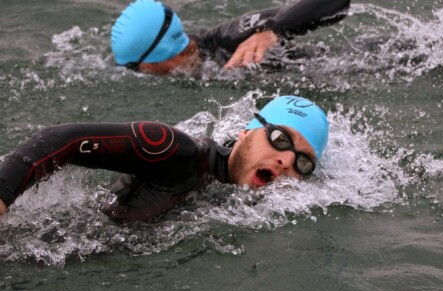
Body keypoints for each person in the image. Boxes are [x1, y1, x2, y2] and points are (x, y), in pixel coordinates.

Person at [0, 96, 328, 222]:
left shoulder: (251, 205)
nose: (286, 160)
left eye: (303, 162)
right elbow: (64, 139)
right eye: (280, 138)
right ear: (245, 132)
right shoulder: (178, 153)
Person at [110, 0, 351, 75]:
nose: (143, 73)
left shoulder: (229, 38)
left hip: (361, 63)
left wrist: (271, 30)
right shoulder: (201, 59)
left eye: (137, 68)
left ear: (148, 63)